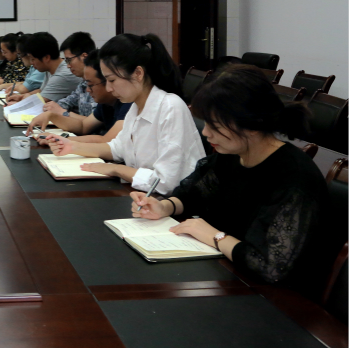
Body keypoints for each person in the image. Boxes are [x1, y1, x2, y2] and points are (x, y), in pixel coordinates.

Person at [130, 65, 331, 298]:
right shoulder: (234, 154)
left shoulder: (294, 178)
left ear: (252, 125)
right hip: (229, 275)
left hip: (278, 300)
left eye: (215, 126)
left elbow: (269, 266)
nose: (205, 133)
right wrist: (165, 206)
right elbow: (194, 194)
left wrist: (214, 236)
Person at [43, 33, 204, 195]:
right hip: (145, 197)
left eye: (112, 80)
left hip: (173, 203)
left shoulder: (170, 107)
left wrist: (115, 169)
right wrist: (71, 146)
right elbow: (118, 148)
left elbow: (164, 182)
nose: (108, 89)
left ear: (138, 73)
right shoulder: (135, 107)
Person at [28, 50, 130, 143]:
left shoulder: (127, 104)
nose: (88, 90)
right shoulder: (105, 103)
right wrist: (51, 116)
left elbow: (107, 141)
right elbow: (83, 126)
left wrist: (58, 139)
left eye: (90, 85)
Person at [8, 32, 81, 102]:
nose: (31, 63)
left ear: (46, 58)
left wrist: (23, 100)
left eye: (33, 59)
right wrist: (22, 96)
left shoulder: (62, 75)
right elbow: (41, 91)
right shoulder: (50, 69)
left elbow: (40, 102)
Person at [52, 31, 98, 116]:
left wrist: (63, 112)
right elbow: (69, 101)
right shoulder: (83, 83)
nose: (68, 66)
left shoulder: (98, 83)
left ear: (84, 57)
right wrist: (52, 107)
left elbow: (94, 121)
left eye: (69, 60)